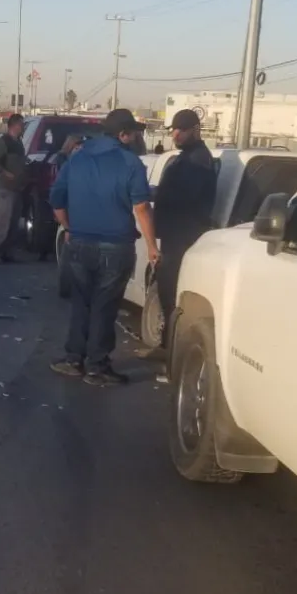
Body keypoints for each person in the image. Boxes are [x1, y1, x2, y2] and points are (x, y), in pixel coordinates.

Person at [49, 109, 159, 386]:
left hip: (80, 243)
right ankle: (97, 366)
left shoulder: (77, 159)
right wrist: (151, 246)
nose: (135, 137)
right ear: (123, 134)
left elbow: (56, 199)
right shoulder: (131, 163)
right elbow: (142, 207)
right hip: (115, 246)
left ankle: (74, 359)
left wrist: (70, 228)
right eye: (133, 132)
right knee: (104, 306)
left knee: (81, 303)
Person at [152, 108, 217, 370]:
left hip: (184, 238)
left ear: (195, 130)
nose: (175, 135)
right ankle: (166, 349)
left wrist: (161, 197)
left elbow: (185, 198)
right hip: (173, 236)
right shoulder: (184, 158)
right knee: (167, 295)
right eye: (173, 130)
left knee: (175, 299)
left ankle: (173, 360)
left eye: (181, 130)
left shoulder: (199, 160)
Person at [0, 113, 27, 263]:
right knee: (3, 221)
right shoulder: (4, 142)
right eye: (21, 124)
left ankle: (7, 251)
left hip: (17, 189)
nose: (23, 127)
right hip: (5, 189)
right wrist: (5, 173)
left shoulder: (19, 144)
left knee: (14, 222)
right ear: (14, 125)